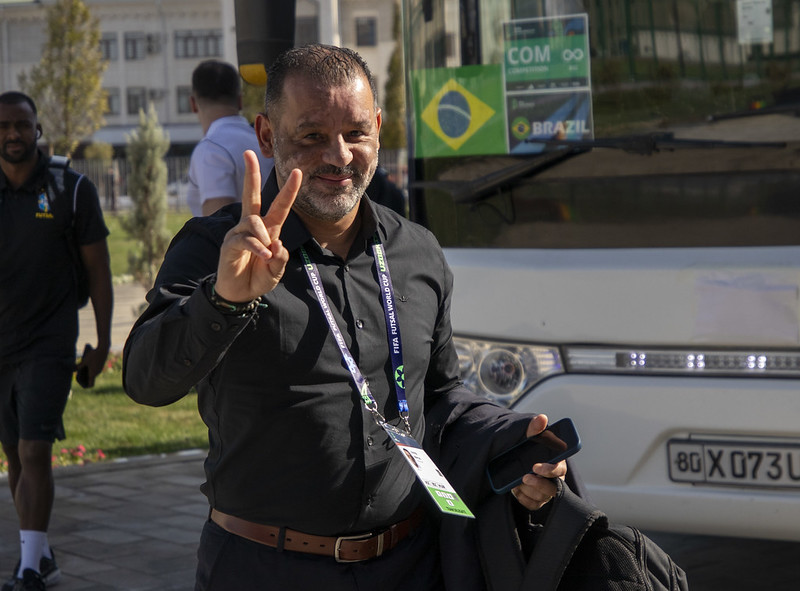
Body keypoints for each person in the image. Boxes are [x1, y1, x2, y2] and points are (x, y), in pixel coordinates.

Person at [123, 44, 565, 591]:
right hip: (266, 569)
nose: (339, 156)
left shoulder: (417, 251)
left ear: (378, 127)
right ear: (266, 135)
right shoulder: (219, 250)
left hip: (411, 564)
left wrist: (514, 441)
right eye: (311, 136)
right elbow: (145, 380)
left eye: (356, 133)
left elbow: (441, 397)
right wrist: (223, 301)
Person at [0, 91, 113, 591]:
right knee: (12, 455)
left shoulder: (70, 188)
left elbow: (100, 272)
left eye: (22, 125)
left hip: (50, 340)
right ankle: (40, 554)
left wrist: (103, 342)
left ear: (37, 129)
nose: (13, 134)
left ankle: (27, 570)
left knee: (33, 450)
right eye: (3, 126)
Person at [186, 59, 274, 217]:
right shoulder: (264, 140)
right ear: (240, 101)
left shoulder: (210, 150)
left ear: (193, 103)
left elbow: (216, 227)